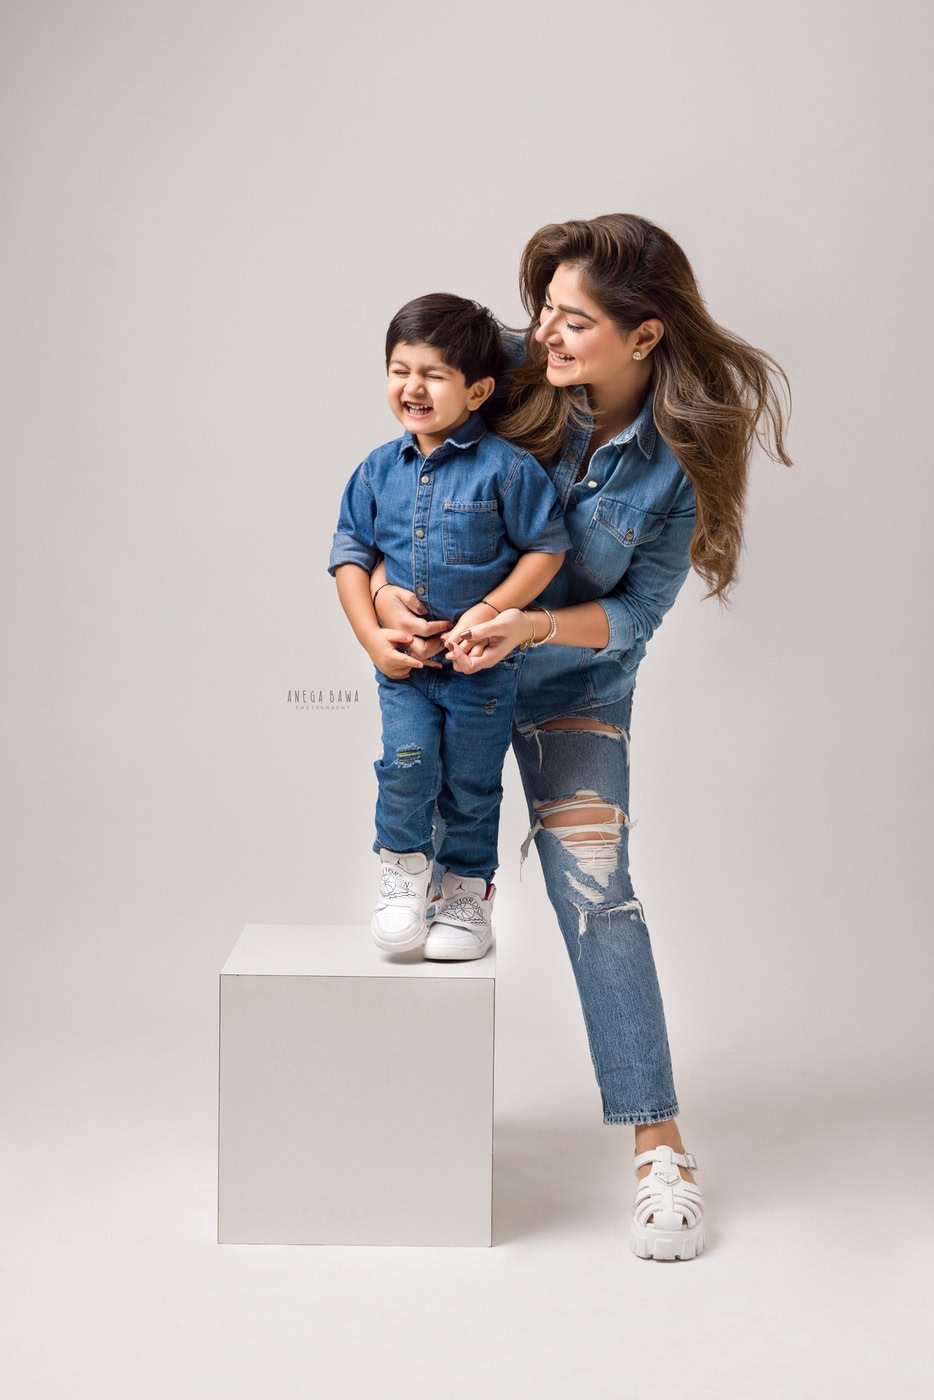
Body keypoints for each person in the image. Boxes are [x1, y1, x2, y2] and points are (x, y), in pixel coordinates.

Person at [367, 215, 792, 1261]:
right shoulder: (505, 372)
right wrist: (379, 594)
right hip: (447, 677)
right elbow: (394, 494)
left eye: (572, 322)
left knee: (600, 898)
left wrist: (533, 624)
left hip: (572, 689)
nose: (543, 337)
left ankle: (660, 1152)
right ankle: (392, 1130)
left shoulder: (682, 455)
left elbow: (638, 614)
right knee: (412, 871)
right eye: (543, 312)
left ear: (644, 336)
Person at [328, 293, 570, 960]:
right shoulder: (376, 472)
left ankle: (467, 889)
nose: (413, 386)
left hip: (481, 671)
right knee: (405, 767)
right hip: (405, 669)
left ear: (477, 389)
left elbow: (547, 548)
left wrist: (492, 615)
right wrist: (373, 637)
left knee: (471, 780)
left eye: (433, 373)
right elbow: (350, 556)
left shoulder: (508, 470)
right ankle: (404, 873)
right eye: (399, 369)